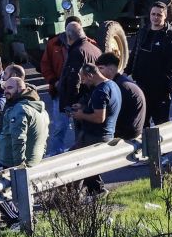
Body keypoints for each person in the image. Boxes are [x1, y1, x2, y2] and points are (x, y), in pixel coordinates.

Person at [68, 64, 121, 195]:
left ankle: (77, 195)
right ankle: (93, 190)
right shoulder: (112, 85)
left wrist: (80, 115)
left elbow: (99, 118)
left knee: (76, 162)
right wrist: (83, 106)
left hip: (96, 136)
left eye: (83, 79)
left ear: (90, 75)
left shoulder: (100, 91)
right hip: (105, 133)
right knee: (82, 161)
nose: (83, 83)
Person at [127, 2, 172, 127]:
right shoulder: (143, 32)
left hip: (160, 91)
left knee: (161, 125)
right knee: (142, 124)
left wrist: (163, 85)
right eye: (153, 14)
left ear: (165, 16)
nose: (155, 17)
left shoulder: (171, 37)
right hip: (141, 87)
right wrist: (127, 72)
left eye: (159, 15)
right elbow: (134, 54)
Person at [58, 21, 101, 146]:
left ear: (69, 37)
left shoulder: (77, 52)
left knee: (82, 140)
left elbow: (73, 79)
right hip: (94, 99)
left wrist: (70, 104)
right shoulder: (95, 49)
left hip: (81, 102)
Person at [0, 77, 49, 169]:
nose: (5, 91)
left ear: (20, 89)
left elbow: (18, 139)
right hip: (34, 161)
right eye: (4, 88)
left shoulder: (20, 109)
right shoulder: (38, 107)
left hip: (12, 164)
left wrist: (19, 166)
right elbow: (45, 138)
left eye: (10, 88)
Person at [39, 20, 73, 156]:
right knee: (60, 126)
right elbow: (45, 66)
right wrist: (54, 81)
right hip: (59, 92)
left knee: (80, 125)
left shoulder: (87, 43)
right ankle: (55, 154)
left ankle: (81, 151)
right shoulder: (53, 44)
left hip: (81, 93)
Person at [97, 52, 146, 140]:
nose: (98, 72)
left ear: (111, 69)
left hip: (127, 132)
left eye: (101, 68)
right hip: (132, 128)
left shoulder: (118, 87)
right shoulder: (120, 82)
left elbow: (111, 114)